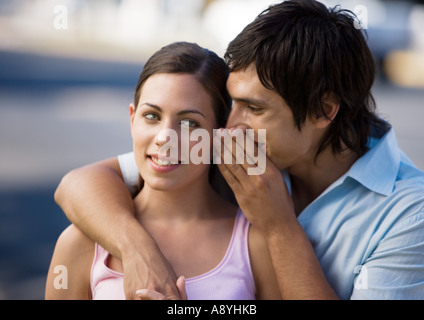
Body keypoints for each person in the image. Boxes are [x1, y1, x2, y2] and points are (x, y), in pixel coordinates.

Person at [54, 0, 424, 300]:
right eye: (233, 102)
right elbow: (80, 184)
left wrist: (279, 227)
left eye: (256, 108)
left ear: (324, 111)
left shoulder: (410, 216)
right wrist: (139, 251)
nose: (230, 126)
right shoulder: (237, 150)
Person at [45, 42, 281, 300]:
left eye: (190, 123)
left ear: (219, 134)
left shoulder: (255, 244)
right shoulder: (81, 244)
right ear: (132, 118)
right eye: (152, 116)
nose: (164, 138)